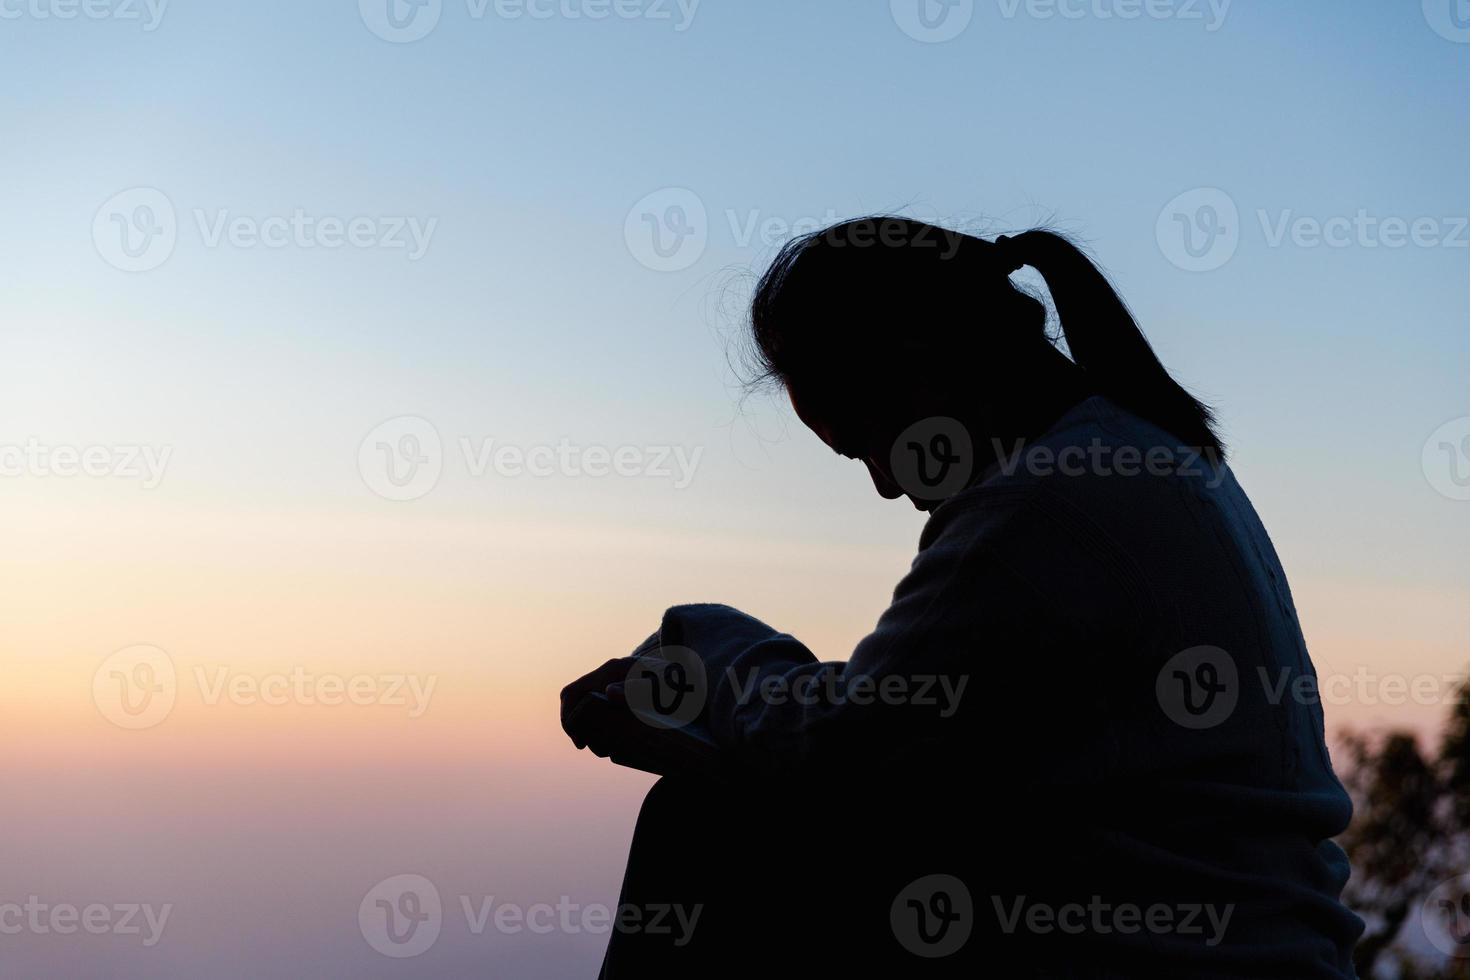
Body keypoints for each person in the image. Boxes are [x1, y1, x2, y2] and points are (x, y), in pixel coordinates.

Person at [561, 218, 1365, 978]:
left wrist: (707, 648)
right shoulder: (1128, 458)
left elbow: (837, 750)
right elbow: (914, 723)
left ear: (922, 363)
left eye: (866, 439)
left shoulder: (1041, 508)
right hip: (1257, 950)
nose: (882, 483)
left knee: (702, 832)